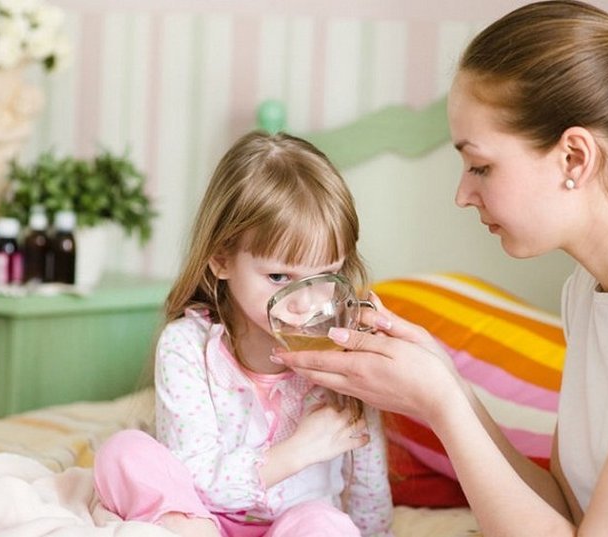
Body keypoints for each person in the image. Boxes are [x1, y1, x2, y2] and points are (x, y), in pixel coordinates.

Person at [271, 1, 608, 536]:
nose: (463, 194)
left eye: (481, 166)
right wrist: (452, 388)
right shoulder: (589, 291)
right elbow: (565, 509)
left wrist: (443, 408)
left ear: (574, 158)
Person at [93, 131, 393, 537]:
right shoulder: (187, 346)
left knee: (328, 526)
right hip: (200, 519)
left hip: (299, 525)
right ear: (221, 260)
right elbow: (192, 477)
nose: (306, 303)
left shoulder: (344, 352)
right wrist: (297, 451)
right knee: (123, 452)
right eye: (278, 276)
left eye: (325, 276)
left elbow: (368, 478)